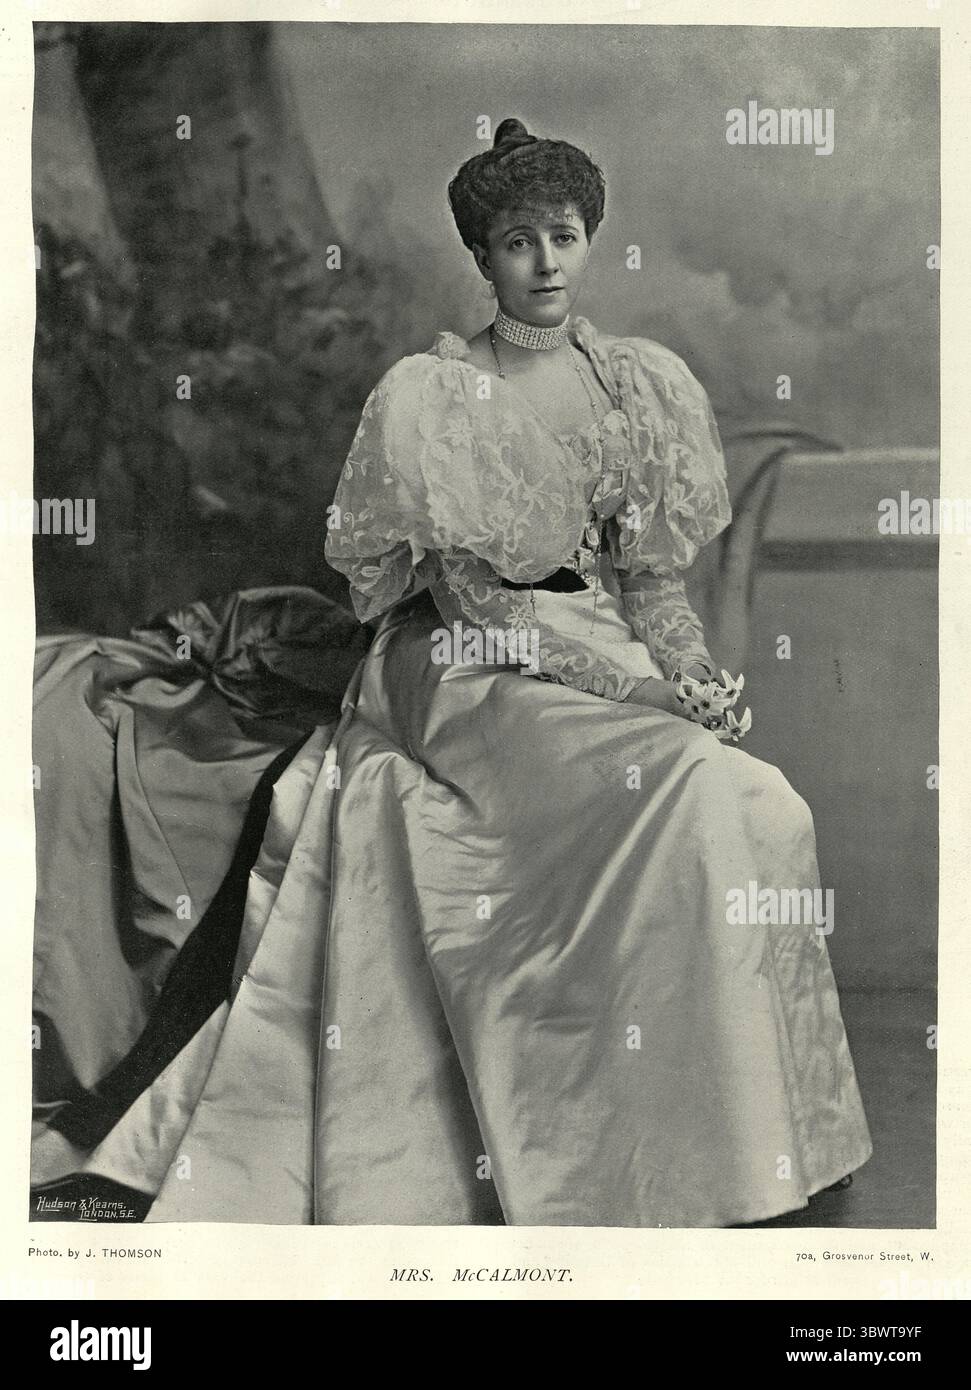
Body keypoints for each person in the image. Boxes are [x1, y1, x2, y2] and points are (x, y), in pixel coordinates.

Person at [30, 117, 871, 1227]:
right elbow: (476, 604)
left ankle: (715, 1152)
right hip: (464, 665)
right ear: (482, 257)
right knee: (681, 790)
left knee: (755, 798)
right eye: (517, 241)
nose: (546, 262)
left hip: (603, 653)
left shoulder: (635, 387)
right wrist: (642, 699)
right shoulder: (432, 395)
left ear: (589, 242)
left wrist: (693, 675)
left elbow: (651, 583)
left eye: (564, 235)